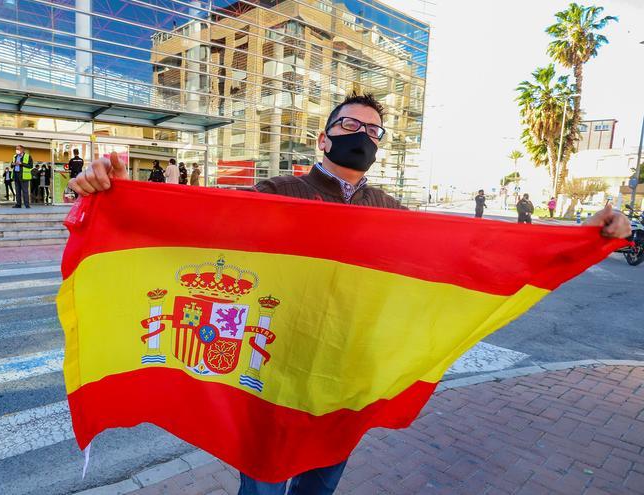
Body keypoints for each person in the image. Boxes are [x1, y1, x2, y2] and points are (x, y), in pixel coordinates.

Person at [67, 93, 632, 495]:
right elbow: (203, 231)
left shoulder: (390, 211)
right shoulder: (278, 191)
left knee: (322, 482)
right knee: (262, 485)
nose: (362, 135)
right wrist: (114, 193)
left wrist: (583, 240)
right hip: (273, 374)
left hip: (346, 380)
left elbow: (466, 255)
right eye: (350, 125)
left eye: (373, 130)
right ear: (324, 136)